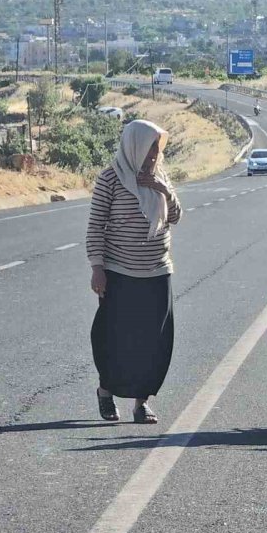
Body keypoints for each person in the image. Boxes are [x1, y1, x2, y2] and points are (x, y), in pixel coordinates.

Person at [86, 120, 182, 424]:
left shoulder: (160, 177)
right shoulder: (111, 179)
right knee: (114, 337)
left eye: (158, 146)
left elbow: (176, 217)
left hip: (157, 271)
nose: (155, 153)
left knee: (154, 341)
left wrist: (163, 190)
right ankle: (106, 391)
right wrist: (97, 268)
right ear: (135, 146)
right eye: (151, 146)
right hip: (119, 272)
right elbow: (95, 227)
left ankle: (142, 402)